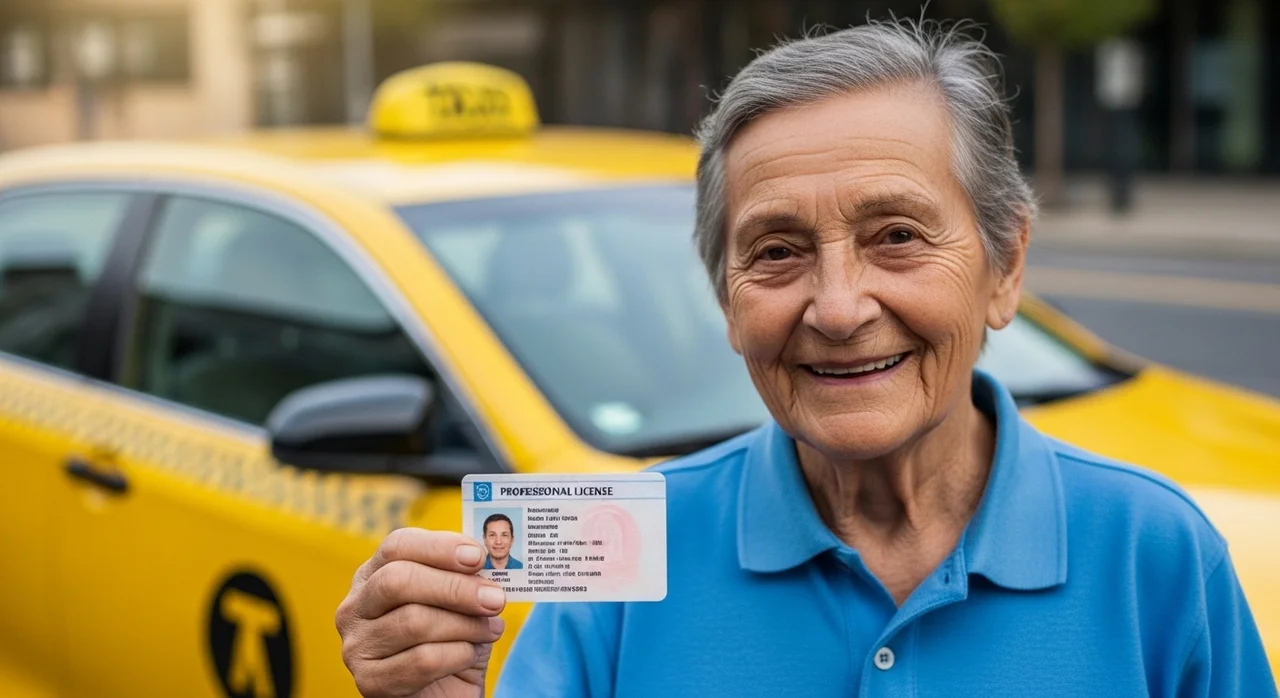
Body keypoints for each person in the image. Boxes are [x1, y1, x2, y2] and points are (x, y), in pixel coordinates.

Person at [334, 18, 1278, 698]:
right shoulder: (631, 556)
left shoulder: (1153, 555)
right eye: (777, 252)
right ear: (726, 298)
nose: (836, 308)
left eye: (897, 236)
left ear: (1006, 264)